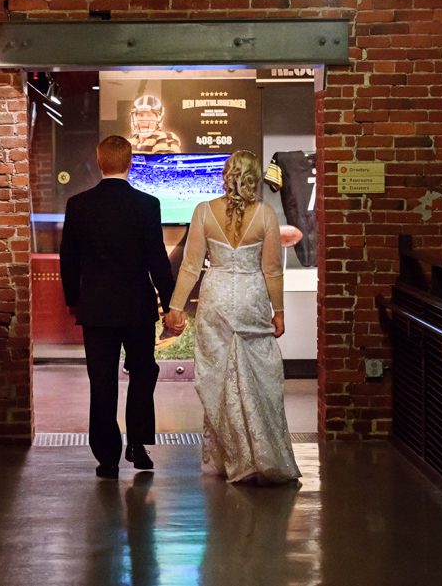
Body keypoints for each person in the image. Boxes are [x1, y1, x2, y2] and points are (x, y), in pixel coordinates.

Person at [164, 150, 301, 485]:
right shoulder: (266, 214)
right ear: (254, 177)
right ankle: (263, 455)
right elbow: (271, 270)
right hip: (252, 300)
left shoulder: (203, 211)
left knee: (220, 378)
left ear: (227, 175)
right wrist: (279, 310)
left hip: (217, 301)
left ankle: (232, 456)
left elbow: (191, 266)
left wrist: (176, 306)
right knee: (261, 378)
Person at [60, 135, 175, 479]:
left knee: (102, 380)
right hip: (136, 305)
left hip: (96, 308)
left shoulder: (78, 204)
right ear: (130, 162)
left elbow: (69, 258)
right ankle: (138, 446)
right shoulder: (147, 204)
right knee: (143, 372)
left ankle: (107, 457)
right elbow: (158, 259)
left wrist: (72, 299)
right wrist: (170, 303)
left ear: (99, 161)